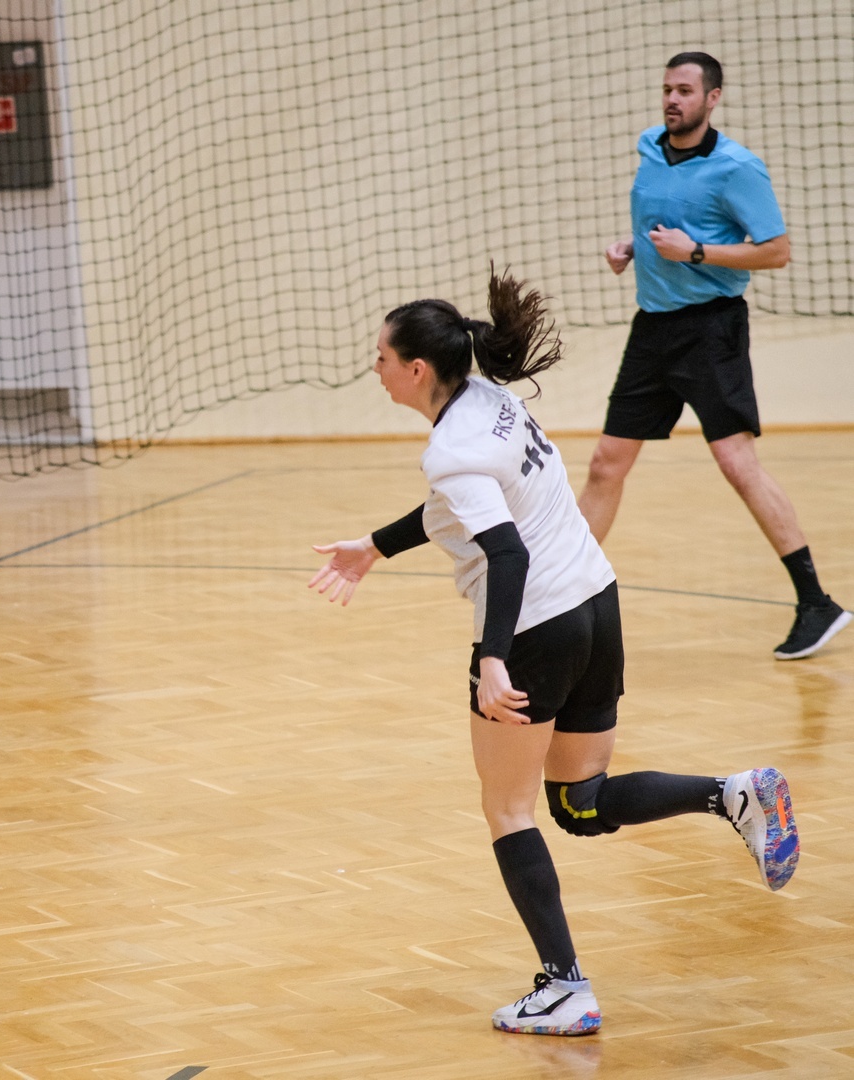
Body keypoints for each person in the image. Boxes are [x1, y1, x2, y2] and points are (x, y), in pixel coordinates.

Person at [308, 269, 798, 1037]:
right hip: (595, 603)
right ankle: (734, 794)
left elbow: (505, 553)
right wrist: (374, 546)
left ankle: (566, 987)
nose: (374, 368)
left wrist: (494, 659)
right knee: (580, 802)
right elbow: (458, 508)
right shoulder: (489, 400)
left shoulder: (452, 449)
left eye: (381, 357)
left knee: (508, 809)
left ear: (416, 370)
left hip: (536, 628)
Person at [579, 51, 847, 660]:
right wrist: (631, 248)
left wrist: (696, 253)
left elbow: (776, 251)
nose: (672, 100)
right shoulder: (649, 147)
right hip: (652, 329)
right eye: (667, 89)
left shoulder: (737, 168)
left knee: (736, 463)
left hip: (711, 330)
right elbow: (664, 222)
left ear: (713, 98)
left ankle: (816, 602)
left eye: (685, 90)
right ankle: (561, 594)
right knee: (604, 464)